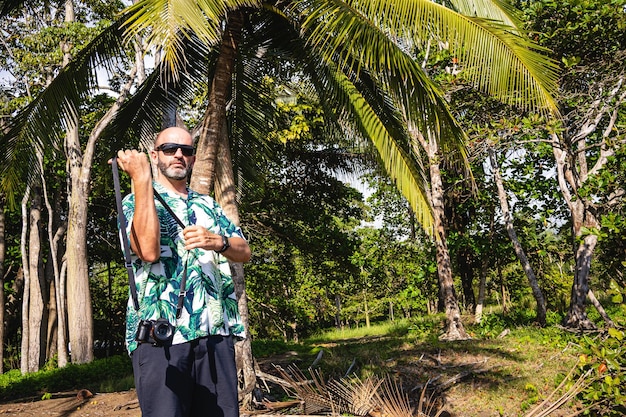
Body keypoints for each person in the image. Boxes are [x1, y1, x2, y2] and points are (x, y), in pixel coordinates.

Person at [113, 126, 251, 417]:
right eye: (169, 149)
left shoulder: (208, 205)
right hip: (160, 336)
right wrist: (141, 179)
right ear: (154, 155)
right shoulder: (133, 202)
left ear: (192, 158)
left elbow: (244, 251)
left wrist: (219, 241)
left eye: (186, 150)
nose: (178, 155)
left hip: (214, 333)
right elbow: (147, 251)